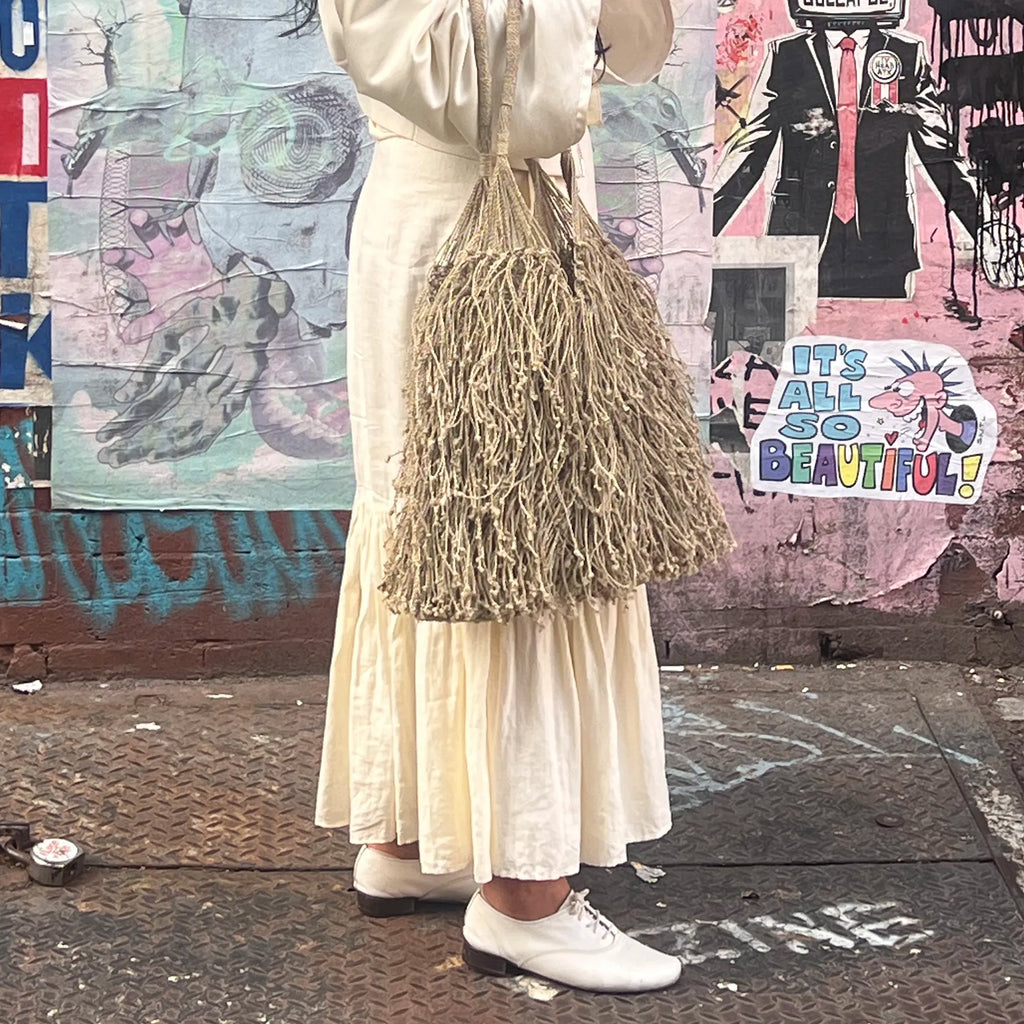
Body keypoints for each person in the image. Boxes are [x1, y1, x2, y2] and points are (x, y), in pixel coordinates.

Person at [301, 0, 682, 993]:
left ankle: (408, 839)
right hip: (474, 242)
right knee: (514, 541)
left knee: (442, 526)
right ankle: (525, 898)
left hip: (446, 234)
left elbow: (625, 47)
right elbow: (534, 103)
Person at [713, 7, 981, 299]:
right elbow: (751, 147)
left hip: (883, 243)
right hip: (799, 234)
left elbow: (938, 150)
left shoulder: (907, 53)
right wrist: (702, 231)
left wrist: (987, 231)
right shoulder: (785, 54)